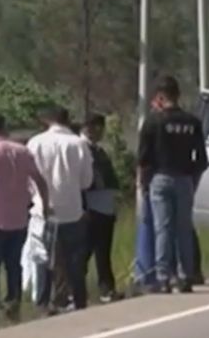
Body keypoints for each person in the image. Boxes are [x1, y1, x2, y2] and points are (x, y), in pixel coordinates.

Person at [0, 112, 49, 324]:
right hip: (18, 219)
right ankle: (13, 307)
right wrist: (45, 206)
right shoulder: (22, 151)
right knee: (14, 266)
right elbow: (40, 180)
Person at [138, 75, 209, 293]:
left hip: (159, 178)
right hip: (184, 178)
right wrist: (193, 180)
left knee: (163, 229)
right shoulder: (192, 122)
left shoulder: (152, 122)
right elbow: (202, 159)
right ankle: (186, 275)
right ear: (178, 95)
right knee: (183, 228)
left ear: (160, 97)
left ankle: (163, 277)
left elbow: (143, 158)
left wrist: (143, 184)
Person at [27, 105, 94, 311]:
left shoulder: (35, 143)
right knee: (74, 259)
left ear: (48, 121)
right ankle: (79, 300)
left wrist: (36, 197)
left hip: (43, 211)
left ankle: (43, 303)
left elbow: (28, 179)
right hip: (72, 210)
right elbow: (86, 181)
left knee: (43, 259)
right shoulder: (79, 144)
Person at [80, 114, 124, 303]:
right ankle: (76, 290)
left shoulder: (99, 150)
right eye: (98, 128)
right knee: (84, 251)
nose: (100, 133)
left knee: (103, 252)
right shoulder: (82, 149)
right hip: (91, 206)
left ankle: (107, 288)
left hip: (104, 207)